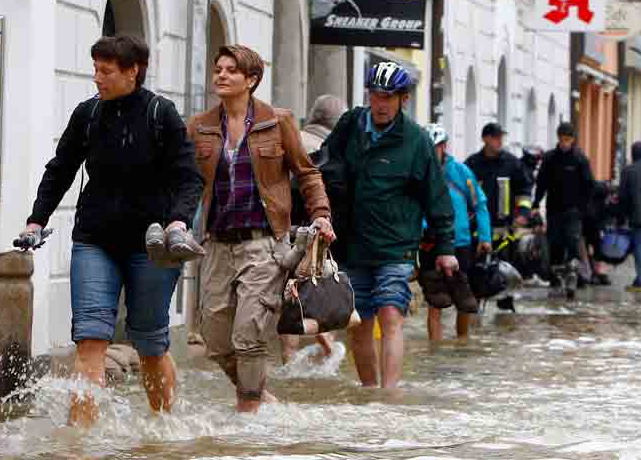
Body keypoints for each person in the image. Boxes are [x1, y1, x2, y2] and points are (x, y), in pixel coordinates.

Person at [20, 35, 204, 427]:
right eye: (95, 70)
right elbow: (60, 170)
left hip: (153, 247)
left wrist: (178, 220)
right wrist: (37, 219)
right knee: (89, 340)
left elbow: (189, 178)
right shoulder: (87, 115)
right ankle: (81, 445)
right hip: (94, 241)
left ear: (132, 71)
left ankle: (164, 432)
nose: (97, 79)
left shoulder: (161, 114)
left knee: (151, 343)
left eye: (105, 71)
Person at [187, 44, 334, 413]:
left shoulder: (276, 121)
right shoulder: (200, 127)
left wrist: (321, 214)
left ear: (251, 80)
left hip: (264, 243)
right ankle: (257, 393)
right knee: (215, 337)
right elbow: (184, 181)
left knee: (248, 332)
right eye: (218, 68)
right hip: (217, 243)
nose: (221, 74)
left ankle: (248, 413)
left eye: (231, 70)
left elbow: (307, 173)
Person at [323, 61, 458, 388]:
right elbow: (324, 164)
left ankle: (389, 395)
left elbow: (436, 196)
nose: (381, 104)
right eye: (376, 96)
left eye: (389, 97)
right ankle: (370, 394)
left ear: (403, 99)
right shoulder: (350, 126)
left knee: (391, 315)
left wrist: (445, 249)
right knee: (358, 324)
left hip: (397, 246)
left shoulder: (416, 141)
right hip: (352, 245)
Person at [279, 94, 348, 365]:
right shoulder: (328, 149)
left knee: (289, 292)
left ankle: (290, 357)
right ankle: (325, 351)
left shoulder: (293, 139)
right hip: (313, 228)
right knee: (315, 290)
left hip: (281, 229)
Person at [419, 123, 492, 340]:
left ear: (444, 146)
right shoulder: (418, 173)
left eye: (435, 147)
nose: (431, 152)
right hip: (430, 243)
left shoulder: (461, 172)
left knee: (464, 298)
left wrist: (485, 237)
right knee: (435, 300)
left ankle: (462, 342)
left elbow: (480, 204)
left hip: (460, 243)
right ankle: (435, 349)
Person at [532, 122, 594, 297]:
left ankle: (573, 276)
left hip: (574, 211)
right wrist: (536, 203)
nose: (564, 143)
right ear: (558, 138)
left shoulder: (580, 159)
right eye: (562, 139)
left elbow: (589, 185)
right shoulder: (550, 158)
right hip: (554, 210)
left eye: (568, 139)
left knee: (573, 242)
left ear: (573, 140)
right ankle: (557, 279)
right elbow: (541, 183)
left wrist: (584, 208)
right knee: (555, 245)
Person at [465, 123, 533, 232]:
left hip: (504, 228)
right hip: (477, 228)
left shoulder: (512, 163)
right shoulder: (472, 164)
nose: (500, 141)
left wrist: (523, 212)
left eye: (501, 138)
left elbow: (524, 190)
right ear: (485, 139)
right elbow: (463, 192)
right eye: (496, 138)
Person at [618, 141, 641, 291]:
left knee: (639, 247)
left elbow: (623, 196)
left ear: (632, 154)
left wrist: (621, 215)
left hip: (636, 214)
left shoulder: (628, 171)